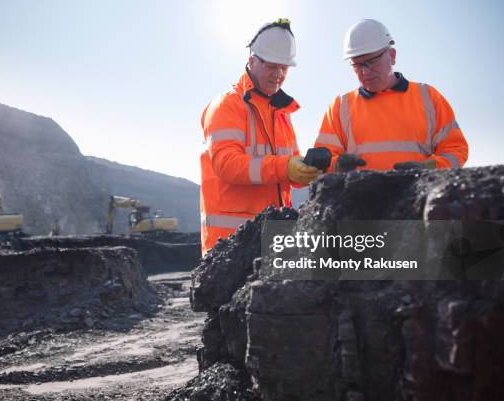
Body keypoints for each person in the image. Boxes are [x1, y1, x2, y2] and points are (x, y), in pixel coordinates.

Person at [200, 19, 320, 255]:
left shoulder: (281, 113)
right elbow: (227, 165)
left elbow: (287, 171)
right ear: (251, 60)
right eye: (272, 66)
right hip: (230, 246)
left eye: (284, 68)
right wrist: (285, 167)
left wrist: (305, 171)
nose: (279, 74)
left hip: (273, 240)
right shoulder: (227, 105)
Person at [314, 19, 468, 172]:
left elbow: (455, 151)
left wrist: (427, 168)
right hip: (360, 196)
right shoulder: (340, 107)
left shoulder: (428, 97)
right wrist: (337, 165)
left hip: (416, 195)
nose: (365, 72)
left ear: (392, 55)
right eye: (357, 65)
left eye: (372, 61)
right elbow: (321, 161)